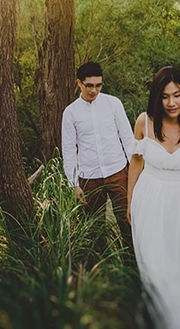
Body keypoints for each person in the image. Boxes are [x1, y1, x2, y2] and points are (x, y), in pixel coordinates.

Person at [127, 66, 180, 329]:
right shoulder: (145, 121)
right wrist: (130, 203)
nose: (172, 102)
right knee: (154, 269)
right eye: (165, 96)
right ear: (157, 97)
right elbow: (135, 162)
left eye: (177, 95)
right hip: (149, 200)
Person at [62, 61, 135, 246]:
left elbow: (128, 139)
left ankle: (133, 267)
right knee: (94, 229)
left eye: (98, 85)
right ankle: (100, 268)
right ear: (79, 83)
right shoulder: (70, 113)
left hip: (119, 173)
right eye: (89, 86)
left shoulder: (113, 104)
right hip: (89, 178)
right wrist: (73, 184)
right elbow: (69, 149)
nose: (94, 90)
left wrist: (135, 171)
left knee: (129, 222)